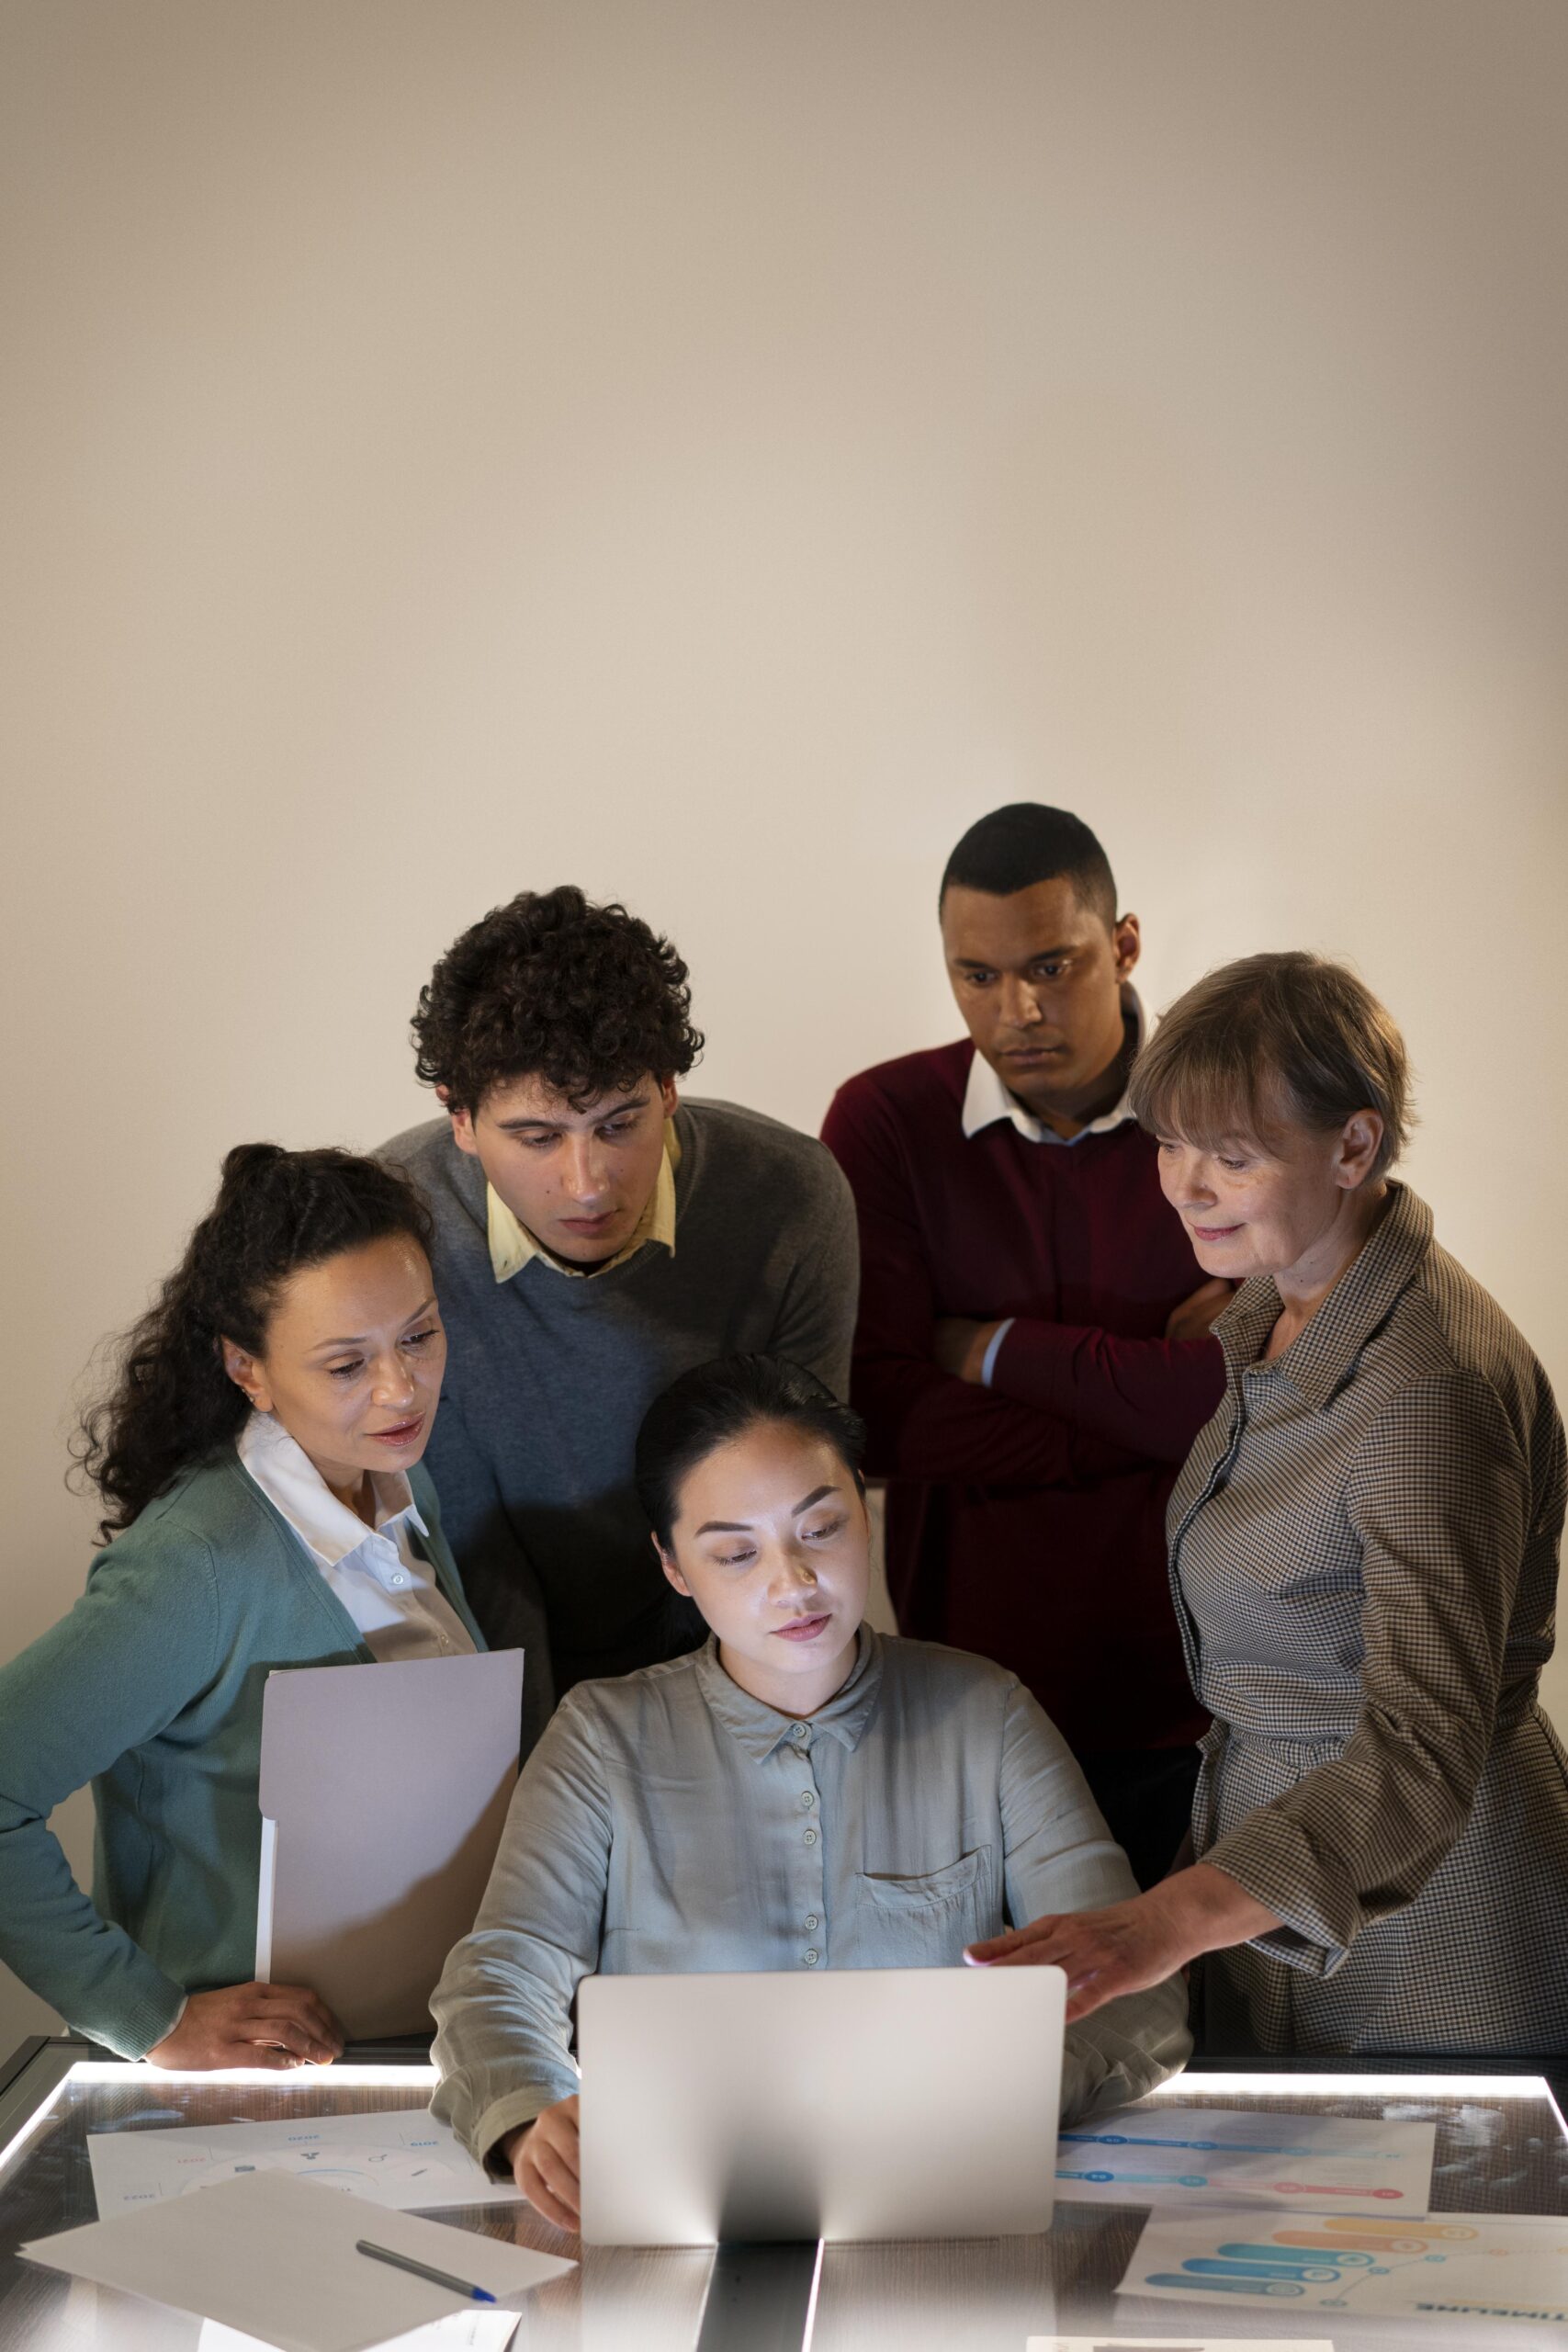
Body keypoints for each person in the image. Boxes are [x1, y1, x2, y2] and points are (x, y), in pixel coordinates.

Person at [429, 1355, 1191, 2229]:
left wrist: (986, 2099)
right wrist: (531, 2114)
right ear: (673, 1566)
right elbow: (501, 1974)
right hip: (681, 2214)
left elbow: (1135, 1991)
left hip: (946, 2204)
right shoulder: (604, 1736)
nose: (792, 1583)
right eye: (735, 1553)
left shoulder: (984, 1713)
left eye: (820, 1528)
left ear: (864, 1510)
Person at [966, 952, 1568, 2057]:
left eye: (1232, 1157)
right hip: (1265, 1882)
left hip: (1437, 1928)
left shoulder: (1428, 1390)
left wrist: (1162, 1921)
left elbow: (1421, 1749)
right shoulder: (1272, 1309)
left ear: (1354, 1146)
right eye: (1170, 1143)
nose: (1184, 1186)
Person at [0, 1144, 487, 2067]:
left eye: (419, 1336)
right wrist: (150, 2019)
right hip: (260, 2090)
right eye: (345, 1364)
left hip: (403, 2053)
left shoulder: (400, 1477)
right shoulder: (197, 1565)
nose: (401, 1388)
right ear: (247, 1369)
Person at [821, 805, 1226, 1886]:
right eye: (980, 976)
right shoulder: (885, 1122)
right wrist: (1143, 1400)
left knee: (1197, 1995)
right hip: (963, 1698)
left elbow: (1254, 1394)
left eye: (1053, 965)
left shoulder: (1225, 1108)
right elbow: (876, 1414)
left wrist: (990, 1349)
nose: (1020, 1010)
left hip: (1208, 1694)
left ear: (1124, 944)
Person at [382, 886, 858, 1755]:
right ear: (460, 1118)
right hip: (480, 1667)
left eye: (618, 1124)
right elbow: (466, 1553)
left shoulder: (791, 1196)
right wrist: (544, 1777)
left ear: (669, 1089)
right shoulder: (394, 1231)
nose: (587, 1183)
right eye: (537, 1138)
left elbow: (796, 1505)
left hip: (739, 1653)